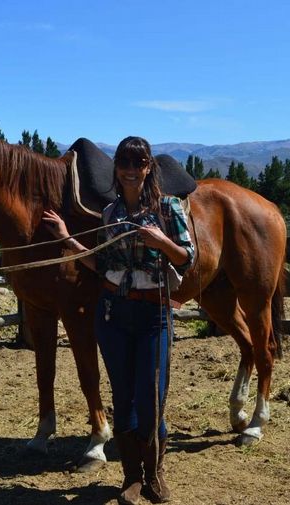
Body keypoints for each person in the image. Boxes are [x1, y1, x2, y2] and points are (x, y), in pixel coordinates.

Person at [42, 136, 194, 504]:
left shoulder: (167, 208)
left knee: (151, 399)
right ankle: (132, 477)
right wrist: (69, 241)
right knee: (122, 398)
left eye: (137, 163)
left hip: (153, 314)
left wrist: (161, 242)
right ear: (117, 168)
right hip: (114, 315)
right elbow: (102, 265)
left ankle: (156, 475)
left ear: (148, 167)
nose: (130, 170)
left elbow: (186, 259)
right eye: (123, 163)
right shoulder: (110, 213)